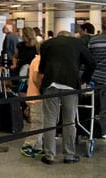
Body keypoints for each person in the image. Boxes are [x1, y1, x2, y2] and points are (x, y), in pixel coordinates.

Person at [38, 30, 96, 164]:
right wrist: (84, 79)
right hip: (70, 85)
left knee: (49, 120)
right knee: (69, 120)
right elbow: (92, 63)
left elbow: (42, 68)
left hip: (50, 83)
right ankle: (69, 154)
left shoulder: (47, 44)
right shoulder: (78, 43)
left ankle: (49, 155)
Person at [20, 47, 44, 158]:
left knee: (40, 123)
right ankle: (27, 145)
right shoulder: (39, 61)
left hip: (35, 96)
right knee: (37, 124)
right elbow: (36, 78)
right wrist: (42, 89)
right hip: (36, 96)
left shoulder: (37, 59)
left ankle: (37, 147)